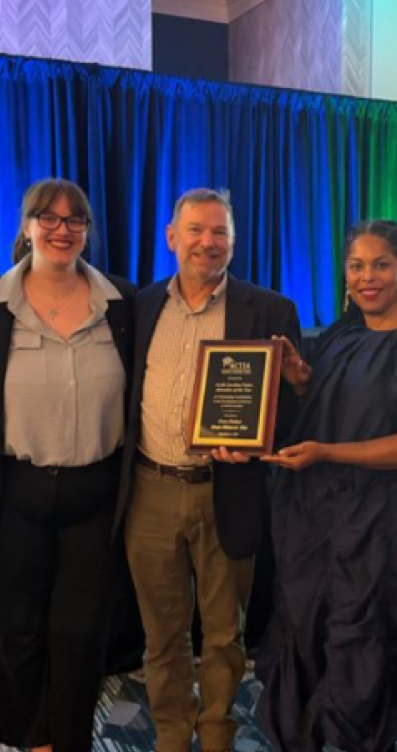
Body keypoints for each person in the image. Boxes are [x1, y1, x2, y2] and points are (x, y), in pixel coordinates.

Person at [254, 220, 397, 752]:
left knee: (365, 636)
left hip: (388, 526)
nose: (367, 277)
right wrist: (305, 381)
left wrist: (327, 452)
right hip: (323, 517)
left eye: (380, 265)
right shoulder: (343, 332)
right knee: (318, 626)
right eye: (356, 266)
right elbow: (338, 407)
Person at [112, 188, 303, 752]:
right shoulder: (140, 306)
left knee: (224, 635)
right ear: (172, 237)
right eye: (195, 230)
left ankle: (216, 732)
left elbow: (291, 411)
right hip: (150, 489)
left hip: (229, 491)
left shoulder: (269, 309)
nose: (207, 242)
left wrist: (261, 438)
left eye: (219, 232)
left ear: (233, 243)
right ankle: (172, 733)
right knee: (161, 633)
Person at [0, 179, 135, 752]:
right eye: (47, 218)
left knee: (80, 636)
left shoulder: (125, 304)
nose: (61, 228)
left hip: (97, 495)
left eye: (74, 219)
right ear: (26, 226)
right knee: (21, 635)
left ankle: (72, 741)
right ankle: (26, 743)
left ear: (87, 229)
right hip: (9, 495)